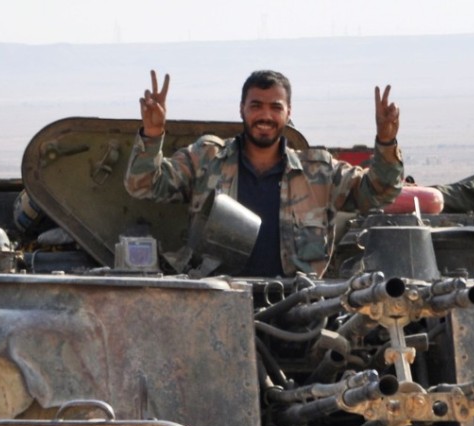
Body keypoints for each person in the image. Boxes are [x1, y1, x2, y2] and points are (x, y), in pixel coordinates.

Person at [123, 69, 404, 277]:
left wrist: (386, 142)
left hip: (296, 308)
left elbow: (380, 191)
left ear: (288, 112)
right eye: (256, 106)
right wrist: (152, 133)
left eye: (275, 107)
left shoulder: (318, 172)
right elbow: (143, 185)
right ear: (242, 110)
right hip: (219, 299)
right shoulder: (207, 158)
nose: (265, 116)